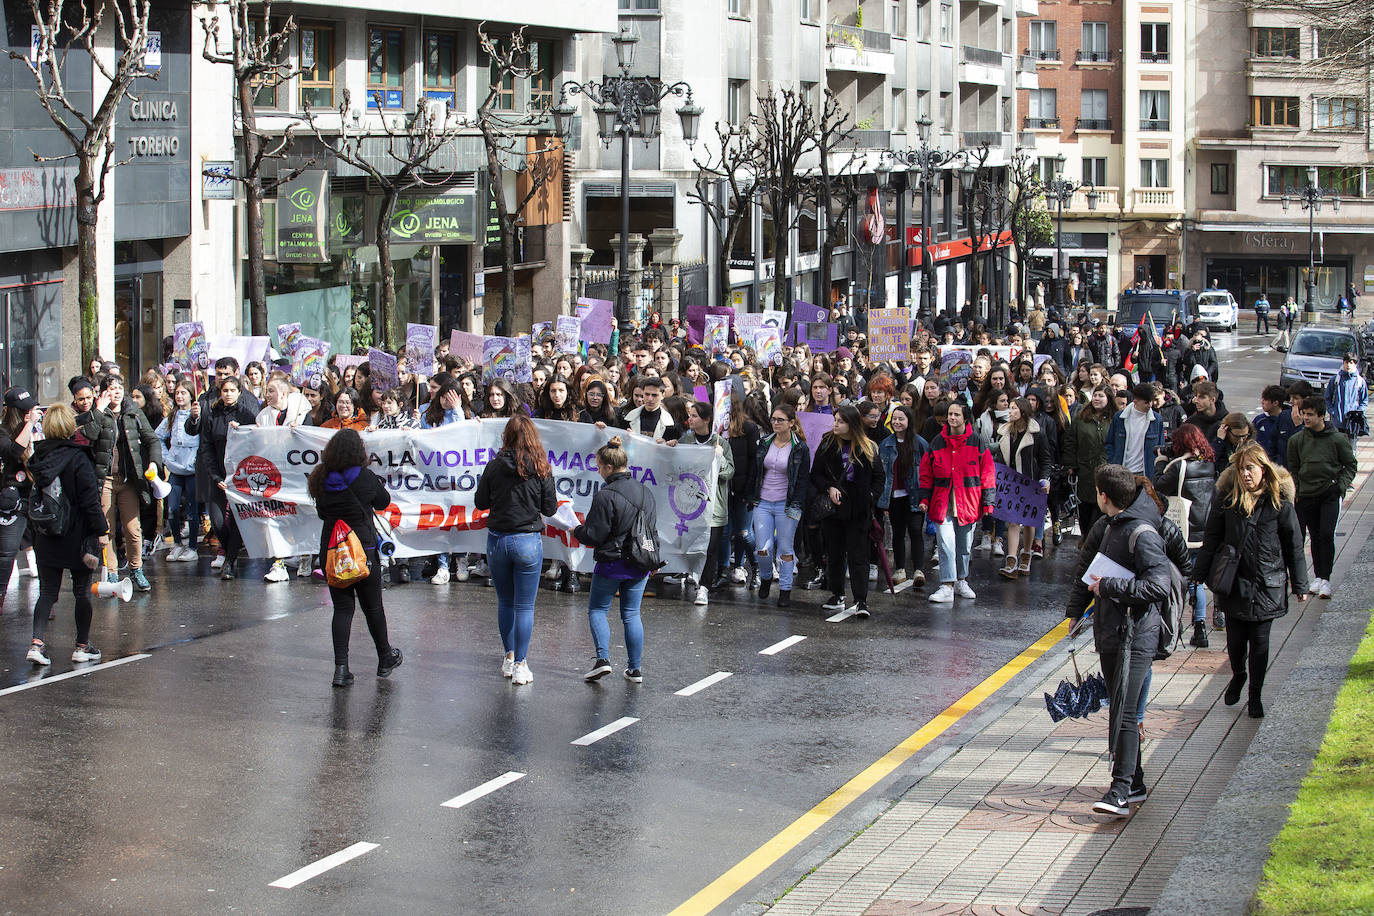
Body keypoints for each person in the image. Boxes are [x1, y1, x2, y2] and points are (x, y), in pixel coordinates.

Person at [1065, 464, 1173, 818]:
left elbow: (1158, 586)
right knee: (1120, 706)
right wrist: (1076, 610)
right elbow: (1089, 567)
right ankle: (1136, 781)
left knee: (1125, 711)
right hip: (1112, 630)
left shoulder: (1141, 534)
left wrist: (1110, 587)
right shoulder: (1110, 526)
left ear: (1103, 495)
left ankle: (1120, 790)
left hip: (1136, 634)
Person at [1194, 443, 1309, 719]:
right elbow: (1211, 540)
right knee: (1235, 641)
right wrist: (1198, 575)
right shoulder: (1227, 500)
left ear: (1263, 470)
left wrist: (1301, 585)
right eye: (1241, 468)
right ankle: (1238, 674)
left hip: (1267, 582)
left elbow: (1294, 545)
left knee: (1260, 642)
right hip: (1234, 581)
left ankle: (1255, 695)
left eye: (1251, 468)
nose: (1245, 474)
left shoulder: (1278, 502)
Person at [308, 428, 402, 687]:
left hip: (333, 550)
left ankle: (341, 669)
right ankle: (385, 658)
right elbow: (383, 502)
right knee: (373, 607)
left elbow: (321, 513)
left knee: (342, 608)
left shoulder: (320, 478)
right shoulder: (365, 477)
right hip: (364, 550)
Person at [473, 413, 556, 686]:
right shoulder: (541, 466)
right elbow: (550, 508)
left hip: (498, 540)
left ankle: (509, 658)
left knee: (506, 602)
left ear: (506, 436)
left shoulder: (494, 465)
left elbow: (480, 501)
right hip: (527, 540)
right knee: (525, 606)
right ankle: (521, 663)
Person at [24, 404, 110, 667]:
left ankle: (37, 644)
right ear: (70, 428)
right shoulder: (78, 458)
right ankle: (82, 646)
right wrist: (101, 531)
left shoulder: (39, 458)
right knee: (82, 591)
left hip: (47, 533)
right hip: (77, 535)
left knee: (47, 591)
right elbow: (90, 501)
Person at [575, 436, 656, 683]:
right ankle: (635, 669)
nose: (598, 471)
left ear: (609, 468)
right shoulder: (645, 491)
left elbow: (594, 535)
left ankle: (603, 659)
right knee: (631, 614)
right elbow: (651, 529)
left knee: (598, 610)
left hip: (611, 562)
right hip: (640, 562)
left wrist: (576, 530)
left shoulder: (605, 495)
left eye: (599, 467)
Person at [918, 400, 996, 603]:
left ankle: (961, 580)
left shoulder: (977, 442)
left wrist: (989, 502)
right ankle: (947, 584)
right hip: (942, 501)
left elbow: (987, 473)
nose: (952, 418)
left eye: (956, 415)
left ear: (965, 418)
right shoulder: (937, 441)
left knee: (964, 546)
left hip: (968, 502)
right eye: (950, 414)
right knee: (945, 544)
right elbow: (926, 472)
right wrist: (924, 498)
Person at [811, 404, 884, 617]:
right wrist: (829, 487)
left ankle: (861, 600)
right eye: (835, 420)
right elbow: (815, 474)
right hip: (834, 508)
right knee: (834, 553)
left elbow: (879, 477)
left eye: (841, 421)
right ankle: (837, 594)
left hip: (859, 508)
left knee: (858, 554)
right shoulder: (827, 443)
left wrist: (871, 497)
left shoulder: (867, 446)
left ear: (851, 424)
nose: (835, 424)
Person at [187, 374, 258, 580]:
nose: (228, 394)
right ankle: (229, 552)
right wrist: (215, 475)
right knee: (218, 522)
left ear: (239, 392)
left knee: (237, 521)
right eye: (225, 390)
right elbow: (206, 446)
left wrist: (242, 431)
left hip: (239, 476)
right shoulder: (213, 414)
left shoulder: (246, 414)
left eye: (232, 390)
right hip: (217, 475)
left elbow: (255, 441)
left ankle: (230, 560)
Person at [1287, 396, 1358, 599]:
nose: (1306, 418)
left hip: (1329, 493)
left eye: (1310, 414)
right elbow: (1293, 468)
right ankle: (1317, 576)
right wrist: (1298, 491)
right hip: (1306, 495)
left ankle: (1325, 578)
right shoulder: (1296, 441)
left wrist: (1340, 486)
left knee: (1327, 534)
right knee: (1314, 535)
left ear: (1321, 415)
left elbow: (1350, 465)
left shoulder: (1336, 439)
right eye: (1304, 414)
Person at [1154, 424, 1217, 643]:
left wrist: (1160, 463)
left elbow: (1158, 488)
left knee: (1179, 577)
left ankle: (1175, 624)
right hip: (1204, 528)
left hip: (1182, 529)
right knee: (1196, 580)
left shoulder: (1179, 467)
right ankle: (1200, 629)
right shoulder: (1208, 464)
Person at [100, 375, 163, 592]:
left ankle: (136, 569)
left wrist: (154, 463)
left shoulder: (133, 412)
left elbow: (152, 439)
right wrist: (97, 411)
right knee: (106, 529)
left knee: (133, 529)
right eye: (111, 388)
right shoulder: (98, 413)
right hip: (105, 479)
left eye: (119, 388)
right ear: (103, 392)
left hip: (129, 479)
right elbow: (88, 437)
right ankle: (111, 572)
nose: (116, 392)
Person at [676, 400, 735, 606]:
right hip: (689, 506)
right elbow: (676, 466)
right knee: (689, 545)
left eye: (694, 416)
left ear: (707, 419)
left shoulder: (721, 443)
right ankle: (692, 574)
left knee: (710, 550)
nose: (689, 419)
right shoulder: (686, 440)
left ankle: (704, 588)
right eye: (689, 415)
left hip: (713, 507)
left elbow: (729, 473)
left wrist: (720, 459)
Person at [751, 403, 809, 607]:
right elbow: (755, 471)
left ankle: (785, 589)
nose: (775, 423)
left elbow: (802, 480)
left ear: (791, 423)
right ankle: (766, 577)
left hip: (787, 504)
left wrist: (797, 506)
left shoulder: (800, 448)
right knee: (762, 548)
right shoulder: (764, 443)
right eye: (773, 419)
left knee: (785, 548)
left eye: (780, 420)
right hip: (763, 502)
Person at [994, 397, 1051, 578]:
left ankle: (1026, 555)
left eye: (1013, 409)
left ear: (1023, 411)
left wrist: (1045, 479)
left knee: (1028, 522)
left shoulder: (1036, 433)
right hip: (1010, 483)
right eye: (1009, 408)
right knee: (1012, 521)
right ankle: (1011, 561)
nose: (1010, 411)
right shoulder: (1005, 432)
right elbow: (1000, 459)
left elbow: (1045, 460)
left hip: (1030, 483)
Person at [877, 405, 929, 587]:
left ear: (909, 421)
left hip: (914, 496)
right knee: (897, 533)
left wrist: (925, 497)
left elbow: (927, 471)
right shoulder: (886, 444)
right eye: (895, 419)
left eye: (901, 419)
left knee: (915, 530)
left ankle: (918, 570)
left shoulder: (920, 443)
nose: (897, 422)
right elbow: (882, 473)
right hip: (893, 497)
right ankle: (900, 569)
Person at [0, 387, 39, 607]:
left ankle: (47, 600)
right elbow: (13, 452)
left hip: (35, 493)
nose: (30, 412)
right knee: (6, 553)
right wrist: (29, 425)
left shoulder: (34, 427)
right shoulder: (3, 431)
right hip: (12, 498)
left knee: (44, 548)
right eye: (25, 411)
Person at [156, 380, 201, 563]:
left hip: (192, 469)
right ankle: (177, 543)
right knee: (173, 508)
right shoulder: (171, 417)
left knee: (192, 509)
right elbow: (158, 436)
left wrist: (197, 460)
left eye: (184, 393)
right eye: (178, 393)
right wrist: (166, 458)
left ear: (191, 395)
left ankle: (192, 547)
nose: (180, 396)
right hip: (175, 469)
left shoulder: (198, 415)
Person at [1063, 385, 1114, 536]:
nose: (1097, 399)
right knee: (1084, 510)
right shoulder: (1081, 418)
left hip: (1106, 472)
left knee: (1101, 512)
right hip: (1085, 471)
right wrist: (1070, 465)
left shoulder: (1115, 419)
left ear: (1109, 399)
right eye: (1095, 395)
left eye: (1101, 396)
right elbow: (1071, 442)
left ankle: (1094, 543)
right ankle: (1086, 538)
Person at [1104, 383, 1165, 474]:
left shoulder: (1157, 420)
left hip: (1147, 473)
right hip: (1122, 471)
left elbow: (1160, 447)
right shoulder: (1119, 418)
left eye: (1150, 401)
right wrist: (1113, 462)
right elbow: (1109, 443)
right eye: (1146, 402)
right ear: (1135, 401)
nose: (1150, 405)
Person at [1323, 352, 1369, 442]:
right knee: (1336, 448)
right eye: (1346, 362)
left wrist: (1358, 413)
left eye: (1351, 362)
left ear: (1355, 364)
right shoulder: (1335, 380)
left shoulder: (1360, 381)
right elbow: (1327, 397)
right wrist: (1332, 411)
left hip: (1352, 423)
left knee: (1351, 450)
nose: (1348, 365)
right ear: (1343, 363)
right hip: (1337, 421)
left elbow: (1364, 400)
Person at [1254, 385, 1298, 468]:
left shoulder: (1289, 419)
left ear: (1275, 403)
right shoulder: (1259, 420)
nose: (1262, 402)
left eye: (1265, 400)